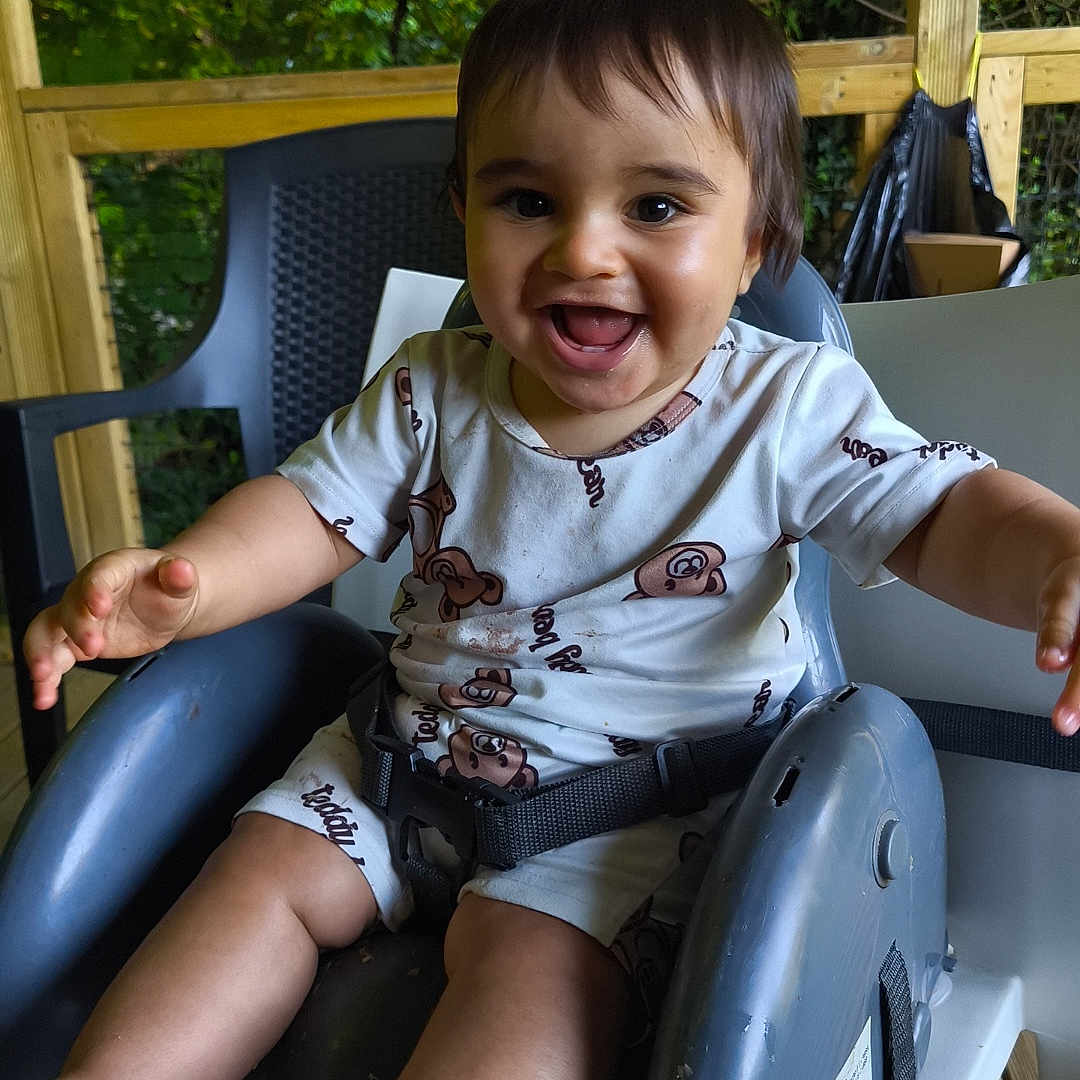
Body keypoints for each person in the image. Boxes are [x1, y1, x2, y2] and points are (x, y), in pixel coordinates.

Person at [24, 0, 1080, 1077]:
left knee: (523, 975)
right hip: (398, 767)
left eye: (657, 204)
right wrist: (187, 587)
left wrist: (1057, 557)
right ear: (464, 212)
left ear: (756, 236)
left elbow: (939, 512)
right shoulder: (432, 388)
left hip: (627, 822)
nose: (584, 249)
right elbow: (307, 513)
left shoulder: (786, 407)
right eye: (529, 199)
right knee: (253, 881)